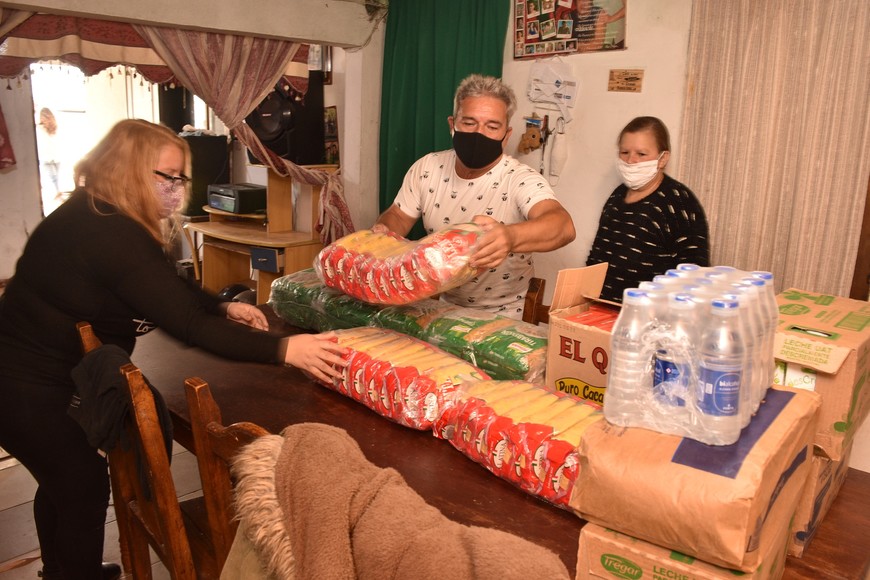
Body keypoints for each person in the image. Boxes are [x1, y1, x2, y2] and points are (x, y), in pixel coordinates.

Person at [0, 119, 347, 579]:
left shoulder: (101, 212)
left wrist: (221, 306)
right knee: (79, 482)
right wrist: (286, 349)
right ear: (129, 170)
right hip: (21, 383)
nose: (179, 188)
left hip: (39, 375)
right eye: (169, 176)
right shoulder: (109, 234)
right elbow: (187, 324)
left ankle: (60, 570)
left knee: (62, 480)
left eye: (182, 177)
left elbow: (165, 287)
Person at [374, 74, 575, 318]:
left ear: (507, 135)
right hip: (441, 306)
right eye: (469, 123)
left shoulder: (519, 179)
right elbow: (398, 215)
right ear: (452, 125)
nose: (479, 133)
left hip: (504, 314)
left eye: (492, 127)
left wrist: (510, 237)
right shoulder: (427, 167)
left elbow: (563, 226)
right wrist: (384, 232)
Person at [586, 116, 710, 302]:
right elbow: (597, 257)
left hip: (648, 314)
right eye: (624, 152)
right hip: (601, 309)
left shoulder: (678, 202)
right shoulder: (617, 196)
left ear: (663, 159)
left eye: (641, 154)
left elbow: (693, 274)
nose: (631, 160)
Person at [35, 107, 63, 214]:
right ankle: (57, 193)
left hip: (52, 156)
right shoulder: (45, 128)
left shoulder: (49, 128)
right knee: (53, 177)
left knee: (55, 177)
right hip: (50, 157)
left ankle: (58, 193)